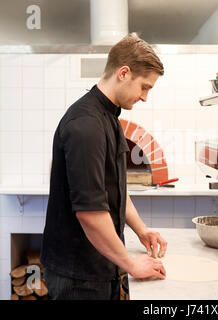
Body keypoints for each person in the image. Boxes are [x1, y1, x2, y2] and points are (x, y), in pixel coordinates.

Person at [40, 33, 167, 300]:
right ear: (124, 73)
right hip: (78, 274)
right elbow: (90, 214)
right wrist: (132, 264)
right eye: (145, 87)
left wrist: (141, 229)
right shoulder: (86, 124)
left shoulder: (109, 116)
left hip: (100, 263)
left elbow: (115, 188)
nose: (145, 97)